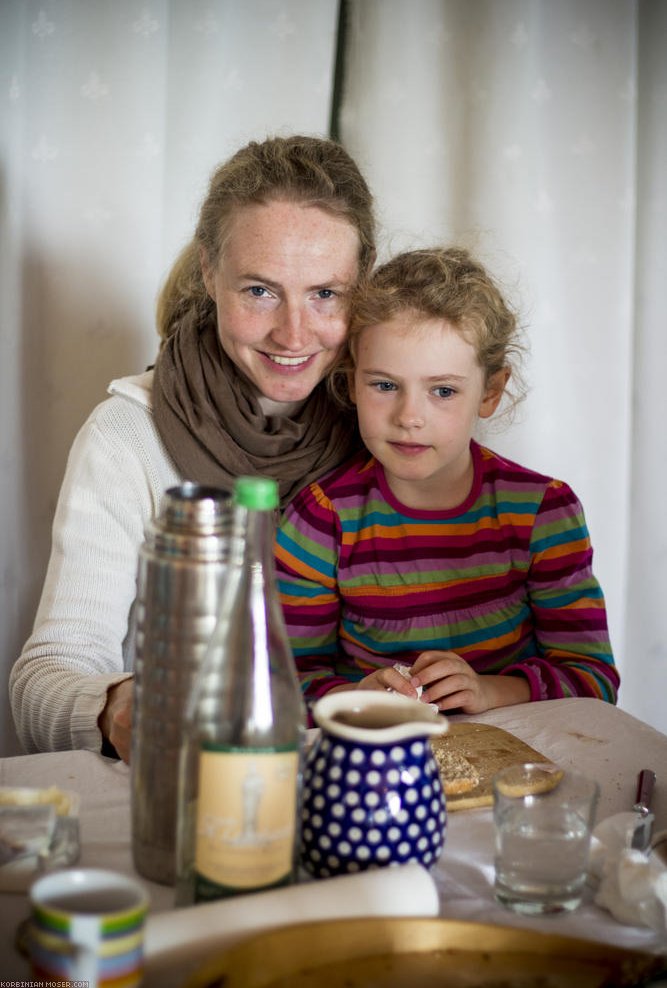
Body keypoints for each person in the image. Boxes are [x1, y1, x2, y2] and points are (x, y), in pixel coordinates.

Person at [10, 135, 377, 763]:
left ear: (363, 283)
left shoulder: (387, 424)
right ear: (209, 271)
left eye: (325, 293)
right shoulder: (127, 437)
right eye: (260, 291)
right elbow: (43, 679)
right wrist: (117, 707)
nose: (293, 333)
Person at [275, 247, 619, 714]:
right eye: (385, 385)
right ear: (352, 383)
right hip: (378, 765)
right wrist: (356, 698)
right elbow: (284, 684)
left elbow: (594, 679)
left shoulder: (543, 512)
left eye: (443, 391)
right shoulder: (321, 519)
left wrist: (488, 690)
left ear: (491, 391)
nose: (409, 417)